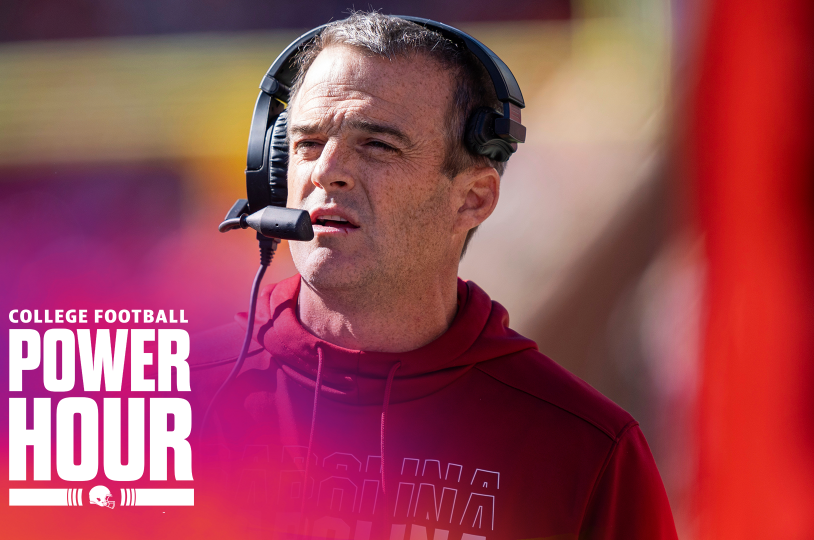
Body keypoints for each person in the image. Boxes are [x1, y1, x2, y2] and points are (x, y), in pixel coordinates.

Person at [192, 12, 677, 540]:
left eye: (378, 146)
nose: (326, 170)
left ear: (473, 198)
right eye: (307, 143)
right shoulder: (164, 410)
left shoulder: (587, 449)